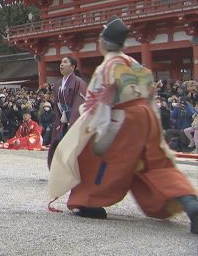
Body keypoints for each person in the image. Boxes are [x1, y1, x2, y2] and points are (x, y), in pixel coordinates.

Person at [48, 17, 198, 234]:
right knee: (156, 163)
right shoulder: (137, 66)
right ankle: (190, 203)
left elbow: (97, 102)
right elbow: (149, 96)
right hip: (147, 117)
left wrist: (92, 128)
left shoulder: (108, 66)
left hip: (123, 117)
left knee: (94, 157)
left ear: (104, 42)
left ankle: (90, 202)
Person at [47, 56, 87, 168]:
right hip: (62, 117)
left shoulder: (79, 83)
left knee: (73, 145)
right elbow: (56, 103)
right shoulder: (58, 84)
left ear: (73, 67)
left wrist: (72, 121)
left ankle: (75, 170)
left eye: (65, 62)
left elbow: (79, 102)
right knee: (59, 142)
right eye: (61, 62)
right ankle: (60, 169)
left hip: (74, 117)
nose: (61, 64)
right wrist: (59, 118)